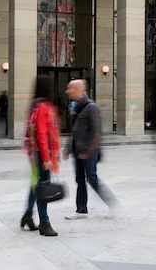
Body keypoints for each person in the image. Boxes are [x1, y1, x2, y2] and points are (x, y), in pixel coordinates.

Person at [64, 79, 118, 219]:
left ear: (77, 90)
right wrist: (67, 149)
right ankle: (81, 210)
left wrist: (87, 151)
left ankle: (111, 203)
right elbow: (74, 130)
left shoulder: (91, 107)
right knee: (80, 180)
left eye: (69, 88)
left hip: (88, 151)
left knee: (92, 178)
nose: (67, 91)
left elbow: (96, 132)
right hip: (77, 150)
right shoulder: (76, 106)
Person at [21, 77, 60, 237]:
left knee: (36, 185)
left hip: (35, 152)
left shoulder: (35, 105)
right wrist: (46, 158)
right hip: (41, 153)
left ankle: (28, 215)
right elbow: (42, 134)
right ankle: (44, 222)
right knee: (43, 186)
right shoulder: (43, 106)